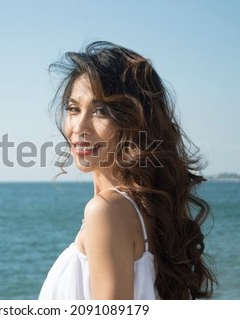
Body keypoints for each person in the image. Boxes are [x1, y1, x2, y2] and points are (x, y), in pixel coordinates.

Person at [38, 41, 216, 300]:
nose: (79, 127)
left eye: (101, 111)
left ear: (134, 120)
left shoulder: (106, 211)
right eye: (73, 109)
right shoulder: (148, 208)